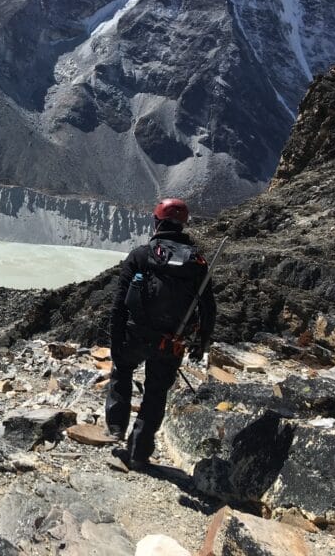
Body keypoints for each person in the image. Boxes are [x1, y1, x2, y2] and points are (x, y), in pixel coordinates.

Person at [105, 198, 216, 468]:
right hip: (172, 341)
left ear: (157, 222)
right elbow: (208, 308)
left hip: (136, 335)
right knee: (156, 393)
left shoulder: (142, 256)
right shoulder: (197, 263)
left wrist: (115, 340)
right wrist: (201, 344)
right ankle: (139, 452)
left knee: (122, 369)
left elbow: (120, 303)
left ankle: (116, 426)